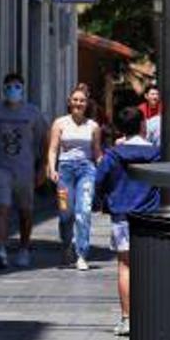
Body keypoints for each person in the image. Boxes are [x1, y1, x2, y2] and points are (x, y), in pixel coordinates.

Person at [94, 107, 161, 336]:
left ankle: (128, 318)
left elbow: (99, 180)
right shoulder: (156, 153)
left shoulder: (113, 154)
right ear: (142, 125)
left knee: (125, 266)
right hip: (150, 215)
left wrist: (102, 199)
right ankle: (152, 315)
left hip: (122, 215)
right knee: (151, 266)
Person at [46, 88, 103, 269]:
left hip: (86, 170)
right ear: (69, 101)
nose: (78, 103)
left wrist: (103, 167)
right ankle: (66, 245)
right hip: (65, 171)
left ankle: (82, 254)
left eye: (82, 100)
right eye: (75, 100)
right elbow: (53, 149)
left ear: (87, 103)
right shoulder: (60, 123)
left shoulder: (93, 126)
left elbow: (96, 151)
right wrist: (52, 168)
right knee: (65, 213)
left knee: (84, 211)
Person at [0, 73, 49, 269]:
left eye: (17, 86)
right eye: (9, 86)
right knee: (1, 209)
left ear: (23, 88)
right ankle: (1, 249)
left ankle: (24, 248)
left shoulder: (32, 113)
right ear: (3, 89)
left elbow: (44, 140)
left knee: (25, 212)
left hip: (25, 169)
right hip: (2, 169)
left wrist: (43, 167)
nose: (13, 90)